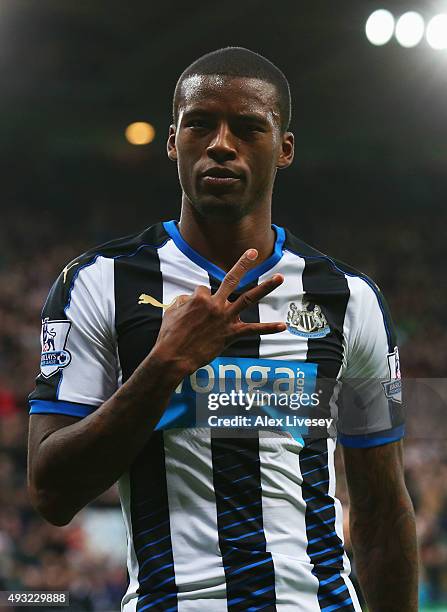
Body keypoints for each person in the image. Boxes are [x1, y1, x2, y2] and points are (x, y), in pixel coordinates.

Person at [27, 47, 418, 611]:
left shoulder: (348, 297)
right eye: (201, 124)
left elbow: (382, 510)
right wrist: (165, 365)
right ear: (172, 142)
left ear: (284, 149)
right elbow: (51, 491)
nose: (221, 144)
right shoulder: (96, 283)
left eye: (249, 127)